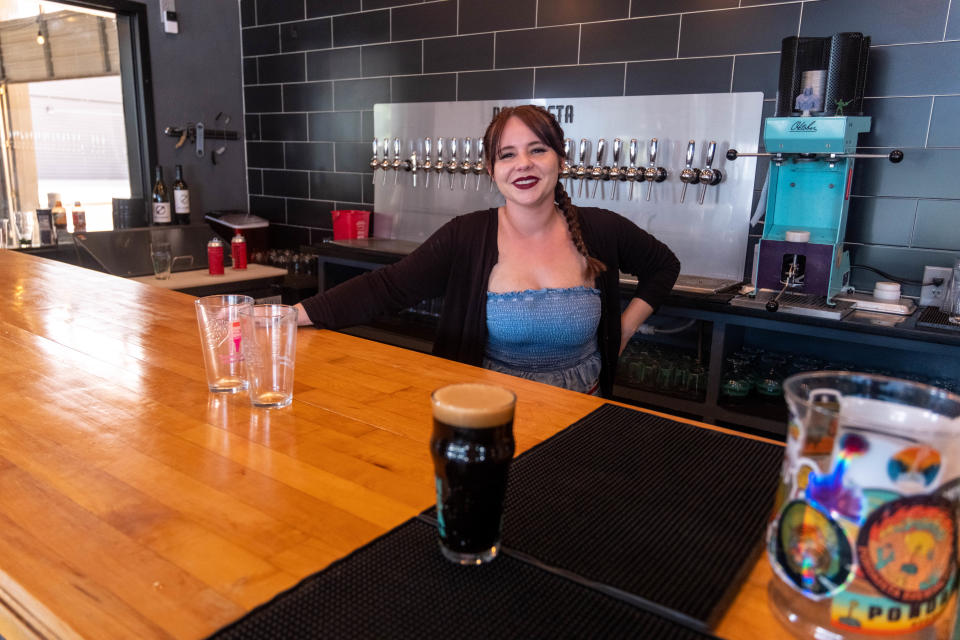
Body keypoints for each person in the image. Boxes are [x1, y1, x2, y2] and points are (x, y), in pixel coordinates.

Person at [294, 105, 680, 397]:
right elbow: (387, 288)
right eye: (507, 154)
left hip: (582, 414)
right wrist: (290, 315)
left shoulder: (600, 228)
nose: (523, 164)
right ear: (491, 169)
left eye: (537, 150)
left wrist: (622, 328)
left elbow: (663, 266)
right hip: (490, 413)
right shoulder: (468, 235)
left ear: (561, 159)